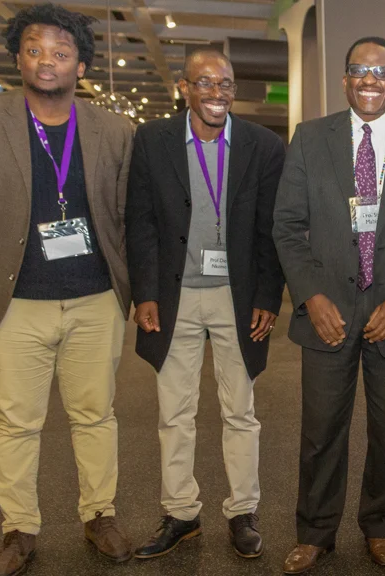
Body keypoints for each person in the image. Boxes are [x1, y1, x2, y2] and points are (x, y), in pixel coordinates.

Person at [0, 4, 135, 575]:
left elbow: (122, 210)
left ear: (81, 64)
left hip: (96, 298)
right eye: (35, 49)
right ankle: (19, 529)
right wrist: (1, 238)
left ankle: (100, 515)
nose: (47, 61)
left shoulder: (113, 129)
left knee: (96, 414)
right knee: (15, 419)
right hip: (13, 300)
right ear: (18, 55)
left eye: (61, 53)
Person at [273, 36, 385, 574]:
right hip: (327, 311)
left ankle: (380, 526)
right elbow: (287, 226)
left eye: (382, 72)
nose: (370, 80)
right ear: (345, 79)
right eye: (359, 70)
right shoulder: (309, 139)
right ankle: (316, 532)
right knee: (321, 429)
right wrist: (312, 296)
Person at [125, 49, 285, 560]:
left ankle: (242, 511)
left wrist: (267, 295)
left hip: (238, 297)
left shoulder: (263, 146)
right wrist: (145, 293)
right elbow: (141, 221)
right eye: (206, 83)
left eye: (226, 84)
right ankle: (181, 513)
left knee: (241, 410)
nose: (217, 93)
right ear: (184, 87)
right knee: (175, 412)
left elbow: (270, 228)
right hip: (174, 296)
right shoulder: (153, 141)